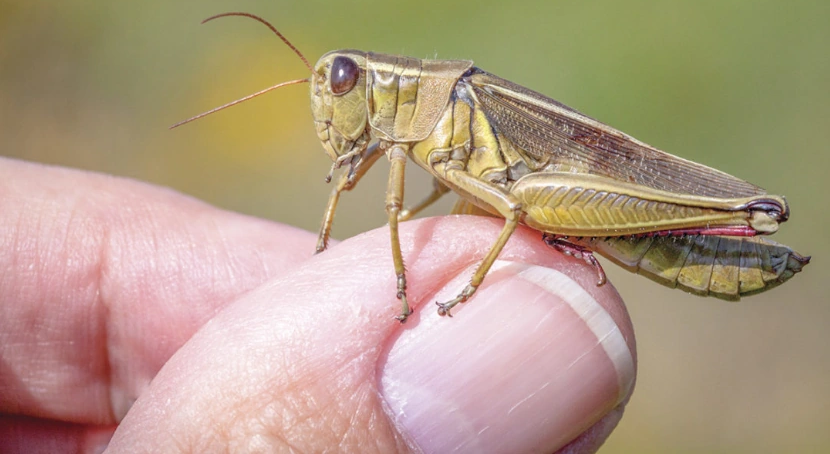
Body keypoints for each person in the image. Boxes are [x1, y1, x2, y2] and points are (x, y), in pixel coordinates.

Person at [0, 157, 636, 453]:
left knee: (513, 207)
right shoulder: (406, 146)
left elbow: (472, 205)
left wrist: (467, 289)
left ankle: (740, 219)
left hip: (612, 196)